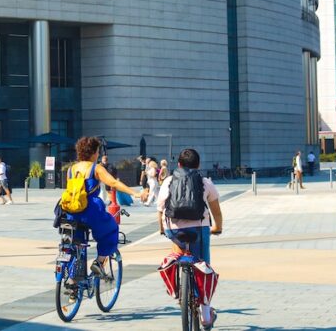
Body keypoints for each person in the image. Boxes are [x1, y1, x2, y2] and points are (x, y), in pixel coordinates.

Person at [64, 137, 147, 279]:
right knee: (111, 230)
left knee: (75, 243)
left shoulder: (71, 170)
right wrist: (135, 193)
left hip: (72, 211)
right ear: (94, 153)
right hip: (91, 210)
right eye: (97, 151)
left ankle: (73, 282)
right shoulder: (96, 168)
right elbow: (113, 183)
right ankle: (99, 261)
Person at [157, 148, 223, 328]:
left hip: (174, 229)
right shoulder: (204, 182)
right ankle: (206, 315)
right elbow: (216, 210)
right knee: (203, 266)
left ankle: (179, 292)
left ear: (178, 165)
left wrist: (162, 228)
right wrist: (217, 227)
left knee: (177, 253)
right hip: (199, 228)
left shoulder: (169, 181)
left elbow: (161, 207)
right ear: (198, 165)